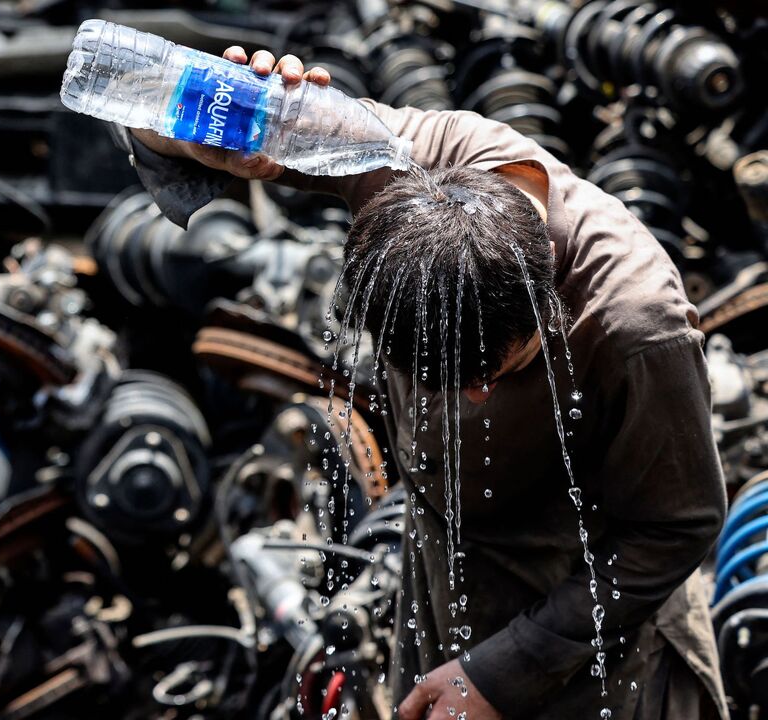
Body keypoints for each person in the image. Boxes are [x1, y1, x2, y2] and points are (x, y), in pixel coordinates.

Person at [111, 47, 730, 719]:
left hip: (598, 636)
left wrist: (504, 671)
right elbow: (141, 88)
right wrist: (175, 129)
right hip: (444, 579)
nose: (470, 398)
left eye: (498, 370)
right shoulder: (397, 162)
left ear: (547, 271)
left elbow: (674, 530)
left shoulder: (634, 324)